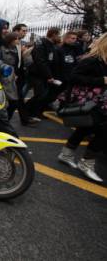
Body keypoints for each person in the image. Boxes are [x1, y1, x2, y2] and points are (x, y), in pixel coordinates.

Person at [57, 32, 107, 182]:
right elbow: (73, 77)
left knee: (86, 127)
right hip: (91, 101)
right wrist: (100, 80)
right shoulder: (92, 60)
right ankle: (87, 162)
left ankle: (66, 154)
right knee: (103, 130)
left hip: (99, 101)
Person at [25, 27, 61, 119]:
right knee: (40, 94)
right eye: (59, 35)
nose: (60, 37)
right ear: (53, 34)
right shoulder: (41, 44)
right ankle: (26, 110)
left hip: (45, 74)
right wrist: (48, 75)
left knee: (43, 95)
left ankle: (36, 112)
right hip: (37, 74)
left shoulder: (51, 45)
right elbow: (41, 61)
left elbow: (52, 61)